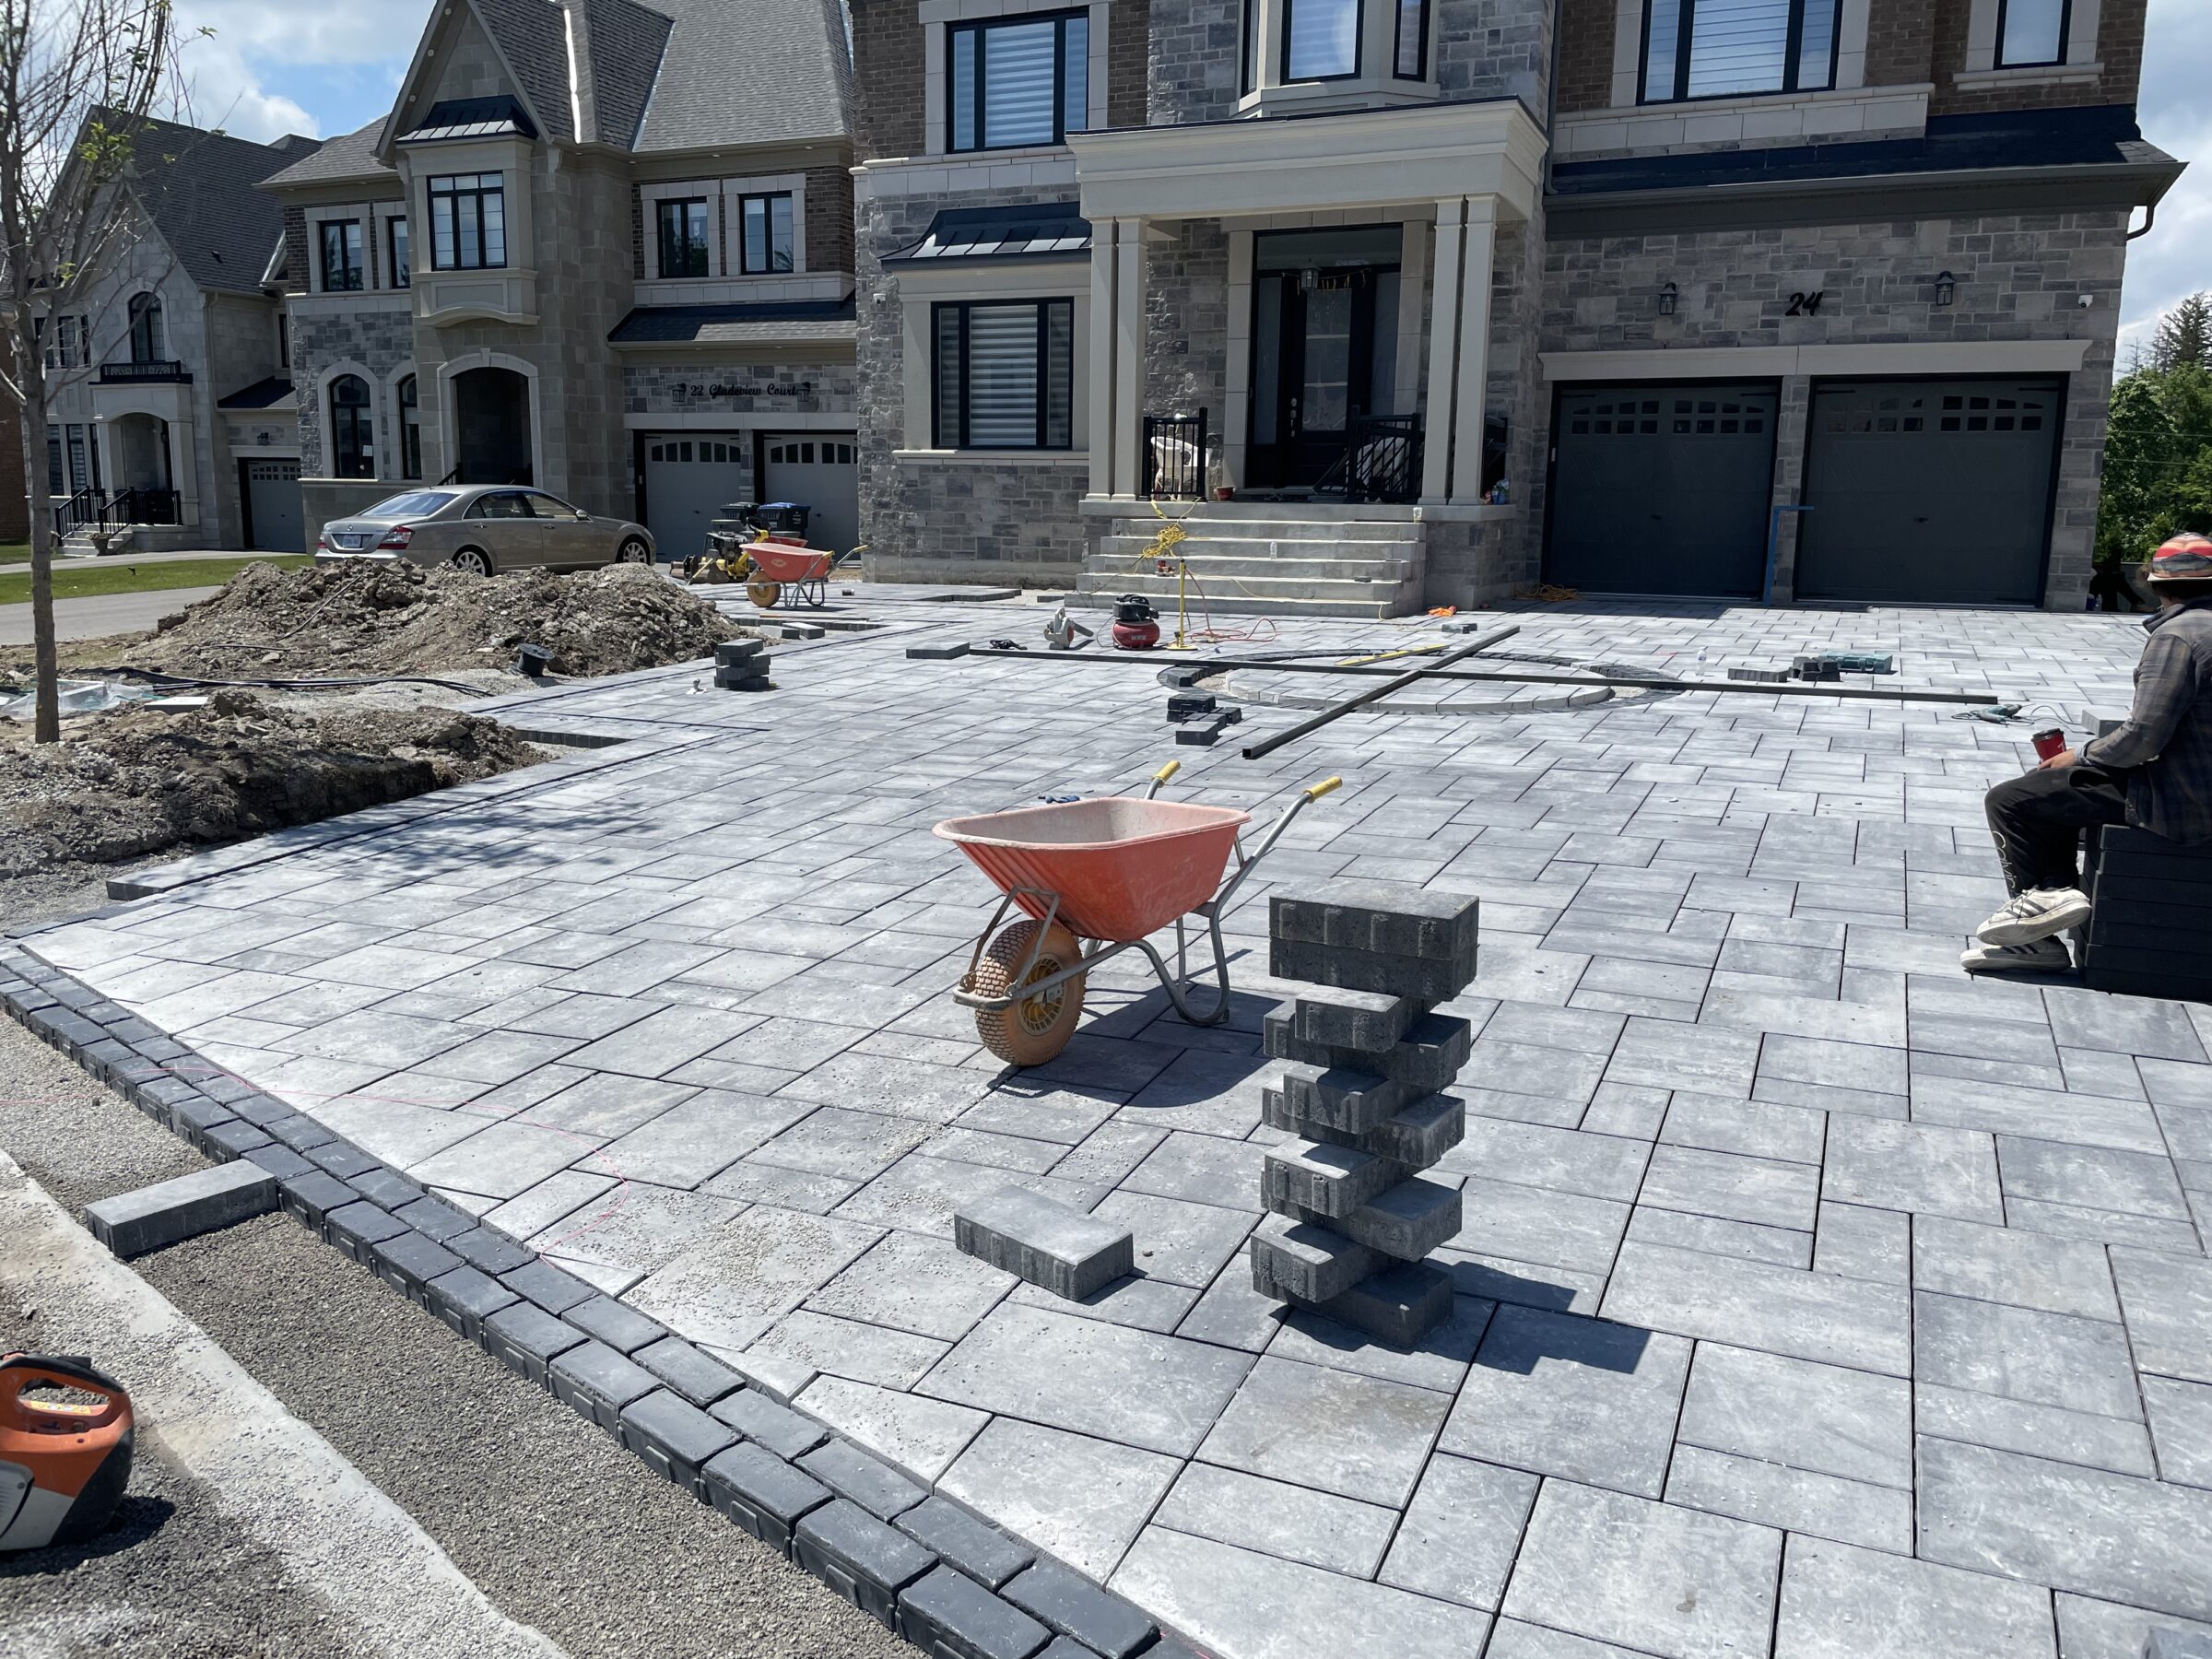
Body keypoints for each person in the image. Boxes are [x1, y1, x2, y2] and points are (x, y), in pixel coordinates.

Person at [1965, 532, 2212, 972]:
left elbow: (2143, 737)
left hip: (2182, 803)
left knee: (2013, 799)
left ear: (2156, 585)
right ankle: (2053, 893)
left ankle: (2036, 932)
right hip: (2197, 785)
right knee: (2059, 791)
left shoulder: (2179, 636)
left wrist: (2081, 755)